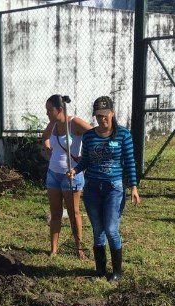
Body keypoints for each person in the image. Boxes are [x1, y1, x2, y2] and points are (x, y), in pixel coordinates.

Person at [69, 96, 141, 281]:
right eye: (98, 116)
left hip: (114, 188)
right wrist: (75, 169)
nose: (101, 119)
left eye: (104, 115)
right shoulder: (89, 136)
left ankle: (116, 272)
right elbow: (85, 160)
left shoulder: (123, 135)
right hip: (92, 187)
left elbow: (130, 162)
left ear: (112, 113)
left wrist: (133, 186)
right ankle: (100, 270)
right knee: (98, 230)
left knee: (110, 229)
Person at [41, 95, 93, 258]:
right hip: (53, 174)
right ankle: (54, 250)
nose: (47, 113)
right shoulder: (53, 124)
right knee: (55, 213)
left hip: (71, 176)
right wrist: (48, 149)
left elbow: (94, 135)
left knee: (73, 213)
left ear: (60, 110)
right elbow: (45, 137)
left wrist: (85, 156)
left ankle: (79, 249)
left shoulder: (74, 123)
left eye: (49, 110)